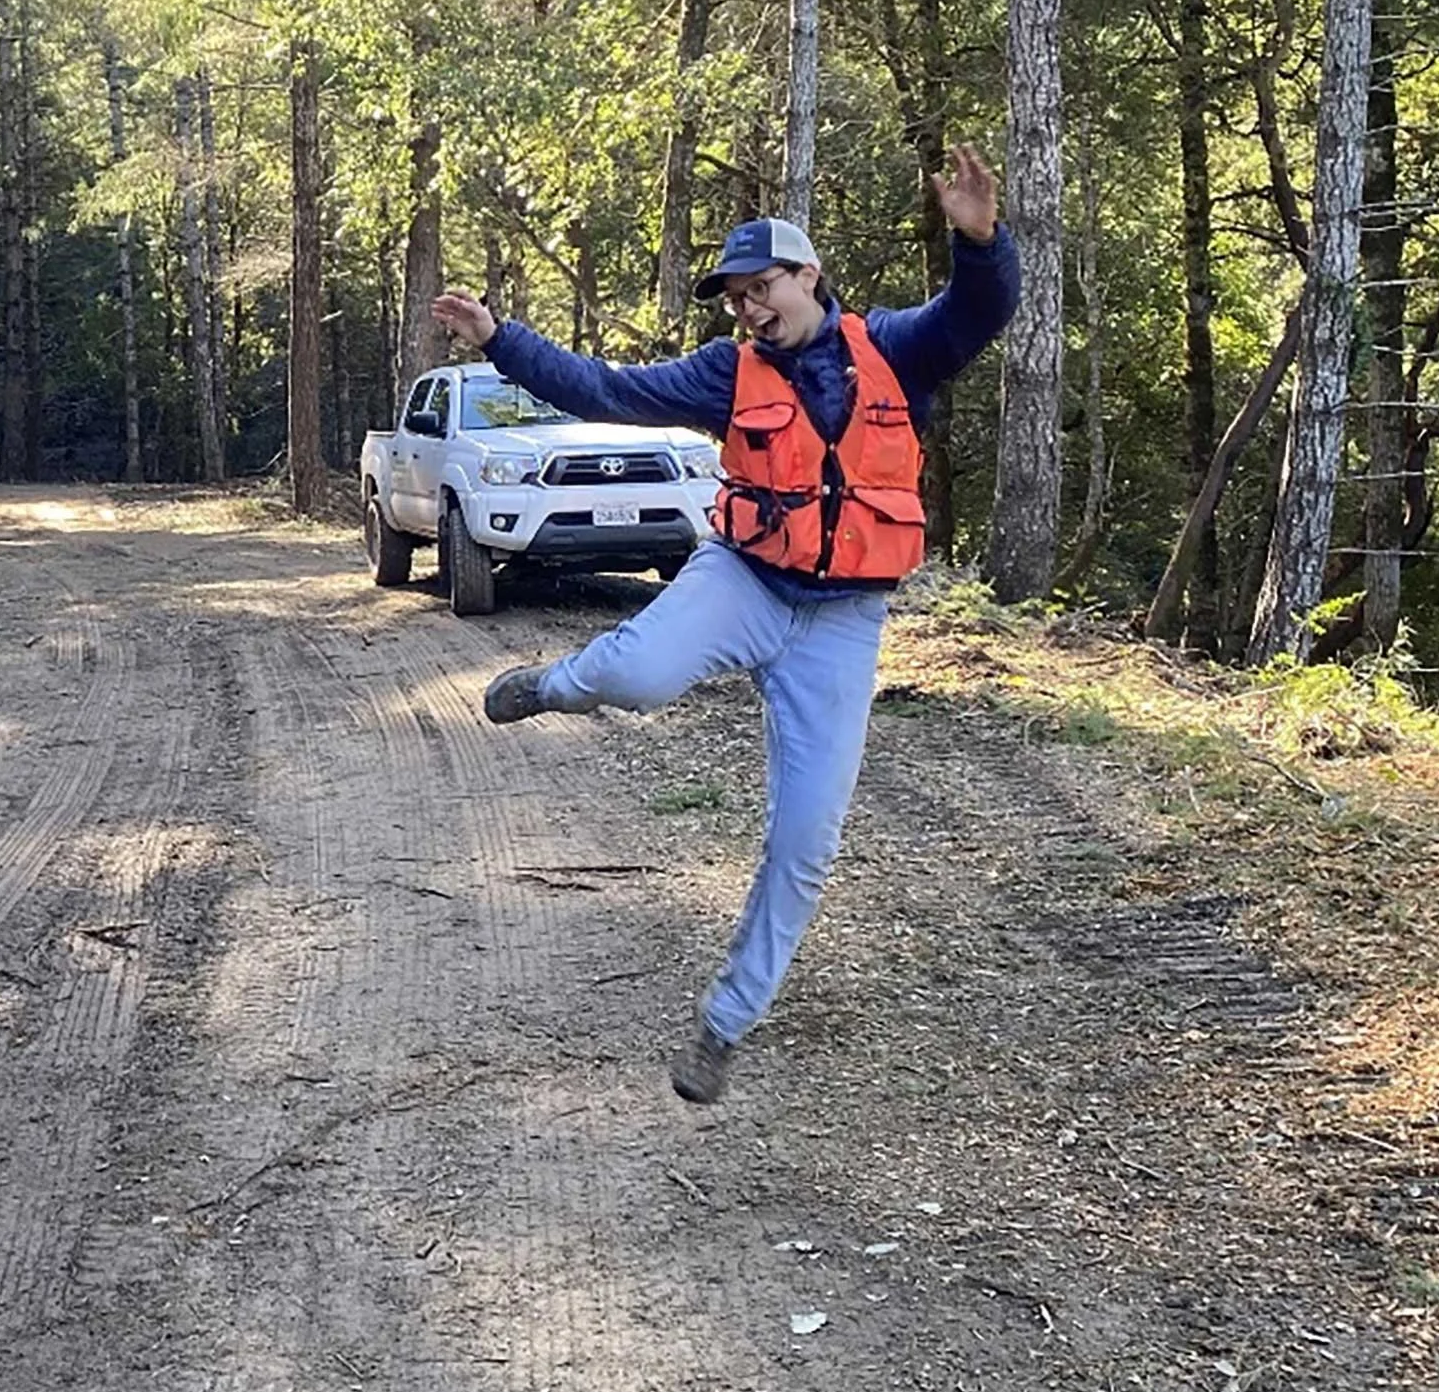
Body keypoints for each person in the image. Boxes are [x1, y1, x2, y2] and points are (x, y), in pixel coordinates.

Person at [430, 146, 1019, 1105]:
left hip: (844, 623)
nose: (749, 307)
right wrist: (503, 337)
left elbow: (980, 311)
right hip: (743, 579)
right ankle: (554, 685)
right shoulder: (724, 372)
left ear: (809, 276)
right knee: (640, 675)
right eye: (735, 295)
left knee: (806, 843)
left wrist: (980, 238)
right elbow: (603, 389)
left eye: (763, 286)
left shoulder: (897, 349)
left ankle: (724, 1024)